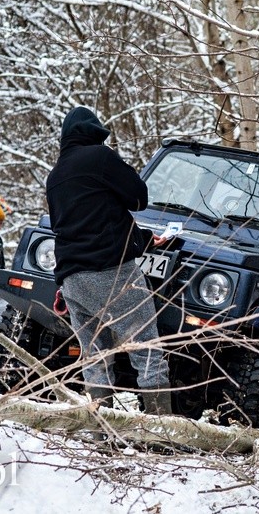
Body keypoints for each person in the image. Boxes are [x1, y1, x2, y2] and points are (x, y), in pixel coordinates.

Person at [45, 106, 171, 415]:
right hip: (112, 273)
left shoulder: (55, 177)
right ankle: (161, 430)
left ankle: (101, 434)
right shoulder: (100, 158)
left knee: (95, 359)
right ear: (95, 135)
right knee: (147, 350)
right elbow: (138, 197)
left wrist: (140, 239)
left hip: (72, 280)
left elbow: (88, 222)